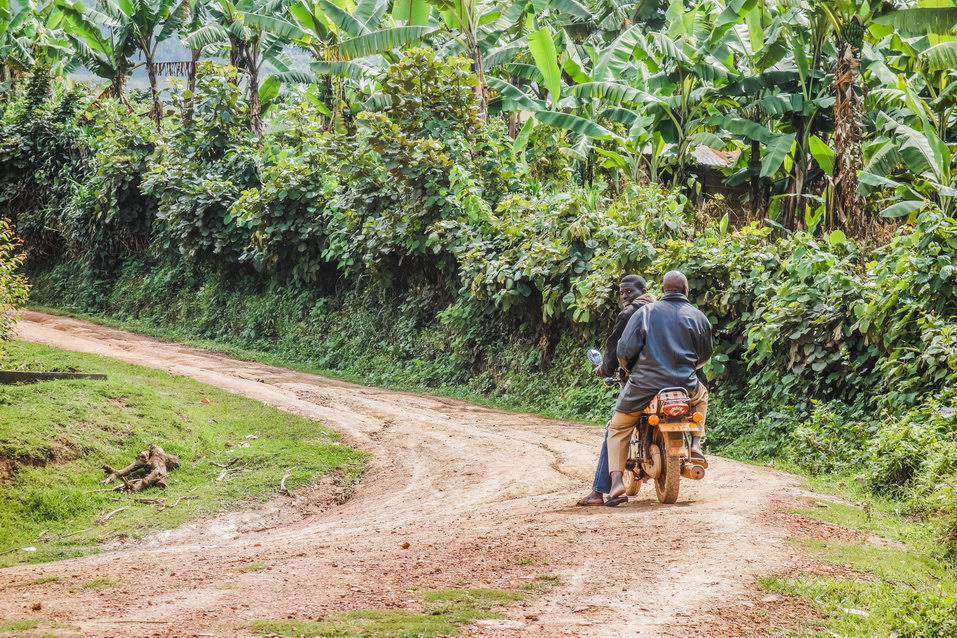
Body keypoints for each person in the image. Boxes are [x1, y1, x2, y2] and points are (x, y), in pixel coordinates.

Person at [606, 270, 712, 502]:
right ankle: (696, 443)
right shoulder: (698, 316)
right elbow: (704, 356)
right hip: (685, 384)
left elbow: (624, 352)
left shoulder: (645, 312)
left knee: (618, 428)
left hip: (644, 384)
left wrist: (632, 370)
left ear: (662, 290)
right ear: (686, 290)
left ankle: (615, 484)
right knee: (702, 396)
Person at [576, 274, 656, 507]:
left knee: (615, 429)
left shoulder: (630, 313)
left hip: (639, 380)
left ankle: (601, 490)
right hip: (674, 379)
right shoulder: (660, 310)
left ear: (642, 290)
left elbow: (616, 348)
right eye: (621, 292)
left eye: (629, 291)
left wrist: (605, 368)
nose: (624, 296)